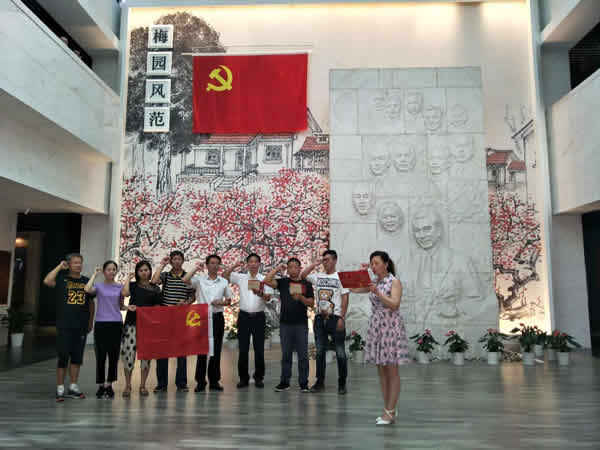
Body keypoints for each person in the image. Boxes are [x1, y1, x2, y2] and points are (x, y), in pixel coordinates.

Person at [351, 251, 409, 426]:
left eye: (376, 263)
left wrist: (377, 292)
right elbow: (354, 288)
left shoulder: (394, 282)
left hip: (390, 327)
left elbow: (394, 304)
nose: (373, 266)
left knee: (392, 371)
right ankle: (388, 409)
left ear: (386, 264)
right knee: (382, 371)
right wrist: (360, 274)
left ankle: (390, 412)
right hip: (377, 326)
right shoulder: (375, 282)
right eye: (372, 264)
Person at [43, 254, 95, 402]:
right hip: (65, 326)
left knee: (77, 358)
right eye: (75, 263)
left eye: (80, 263)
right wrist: (60, 267)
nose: (78, 265)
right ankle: (60, 387)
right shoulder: (62, 279)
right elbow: (47, 281)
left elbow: (91, 303)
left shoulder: (86, 281)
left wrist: (90, 322)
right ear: (69, 264)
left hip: (81, 326)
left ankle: (73, 386)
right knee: (63, 357)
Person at [300, 249, 349, 395]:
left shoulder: (341, 277)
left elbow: (345, 298)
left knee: (340, 352)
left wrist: (342, 317)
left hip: (335, 318)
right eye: (324, 260)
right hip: (320, 318)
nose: (325, 262)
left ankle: (342, 384)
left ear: (335, 260)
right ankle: (319, 382)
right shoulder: (318, 276)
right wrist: (315, 264)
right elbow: (303, 276)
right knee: (320, 352)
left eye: (327, 259)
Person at [264, 258, 314, 393]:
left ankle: (303, 383)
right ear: (287, 269)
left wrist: (301, 298)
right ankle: (284, 382)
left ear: (300, 268)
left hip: (301, 324)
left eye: (295, 267)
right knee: (286, 354)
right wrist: (277, 269)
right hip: (285, 324)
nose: (293, 269)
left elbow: (311, 303)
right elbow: (267, 280)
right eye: (290, 267)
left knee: (303, 355)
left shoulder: (306, 284)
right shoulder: (283, 282)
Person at [223, 253, 272, 389]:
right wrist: (234, 265)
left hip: (259, 317)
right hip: (244, 317)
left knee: (259, 349)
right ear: (247, 264)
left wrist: (260, 293)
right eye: (250, 261)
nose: (253, 264)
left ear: (259, 264)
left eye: (256, 261)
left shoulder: (264, 279)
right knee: (243, 349)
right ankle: (243, 378)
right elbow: (225, 276)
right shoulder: (241, 277)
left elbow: (268, 298)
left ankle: (259, 378)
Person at [183, 255, 232, 392]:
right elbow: (185, 280)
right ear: (207, 265)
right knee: (202, 350)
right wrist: (195, 268)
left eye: (217, 263)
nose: (215, 266)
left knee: (216, 350)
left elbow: (228, 300)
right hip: (202, 317)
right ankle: (200, 381)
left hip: (217, 317)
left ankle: (214, 381)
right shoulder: (199, 280)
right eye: (212, 263)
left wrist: (221, 302)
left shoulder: (223, 281)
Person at [151, 250, 195, 393]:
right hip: (165, 318)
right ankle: (161, 384)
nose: (176, 261)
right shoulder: (166, 275)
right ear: (171, 261)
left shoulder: (188, 276)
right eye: (174, 259)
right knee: (162, 352)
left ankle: (181, 384)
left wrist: (186, 303)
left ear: (183, 260)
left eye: (178, 259)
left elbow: (192, 296)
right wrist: (162, 265)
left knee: (181, 353)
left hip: (181, 318)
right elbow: (154, 281)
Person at [121, 260, 162, 397]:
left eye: (146, 270)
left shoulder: (156, 289)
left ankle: (143, 386)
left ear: (150, 271)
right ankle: (128, 385)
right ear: (137, 272)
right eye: (141, 270)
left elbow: (158, 307)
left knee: (146, 358)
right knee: (128, 356)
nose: (144, 272)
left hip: (148, 327)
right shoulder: (133, 285)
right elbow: (125, 293)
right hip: (131, 324)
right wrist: (128, 278)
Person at [84, 260, 124, 399]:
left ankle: (109, 384)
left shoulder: (120, 287)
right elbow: (87, 289)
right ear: (104, 271)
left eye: (114, 269)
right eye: (109, 269)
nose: (111, 272)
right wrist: (94, 274)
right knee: (100, 356)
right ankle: (101, 385)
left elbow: (121, 305)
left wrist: (128, 307)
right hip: (101, 323)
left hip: (116, 324)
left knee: (113, 356)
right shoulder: (99, 286)